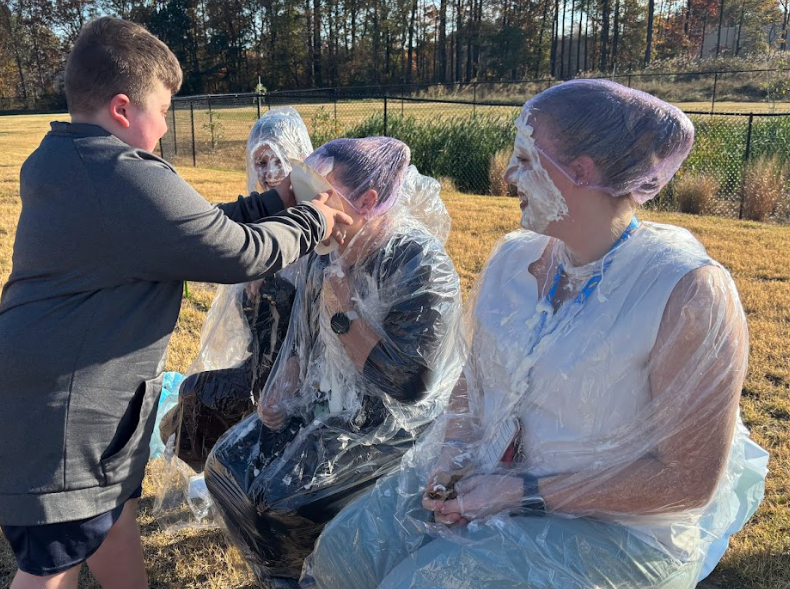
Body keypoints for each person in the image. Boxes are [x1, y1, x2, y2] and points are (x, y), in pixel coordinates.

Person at [303, 80, 767, 589]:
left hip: (620, 530)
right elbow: (473, 385)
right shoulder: (513, 259)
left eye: (525, 158)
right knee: (342, 555)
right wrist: (452, 461)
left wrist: (518, 492)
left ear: (581, 171)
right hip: (490, 480)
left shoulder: (685, 291)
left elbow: (686, 481)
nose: (508, 173)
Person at [0, 17, 351, 589]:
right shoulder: (121, 174)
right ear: (121, 109)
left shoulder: (64, 159)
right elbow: (237, 254)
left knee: (113, 521)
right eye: (161, 111)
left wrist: (270, 202)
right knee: (53, 564)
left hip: (60, 396)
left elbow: (189, 226)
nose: (163, 128)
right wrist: (313, 219)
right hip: (66, 417)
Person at [203, 137, 463, 588]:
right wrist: (284, 385)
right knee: (226, 466)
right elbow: (301, 343)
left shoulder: (418, 263)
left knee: (280, 502)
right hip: (324, 403)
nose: (312, 207)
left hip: (389, 425)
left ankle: (304, 576)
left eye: (324, 196)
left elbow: (409, 385)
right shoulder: (327, 250)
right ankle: (276, 576)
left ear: (368, 201)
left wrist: (345, 316)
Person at [158, 107, 316, 472]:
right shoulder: (256, 228)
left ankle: (235, 476)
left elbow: (312, 327)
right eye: (259, 163)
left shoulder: (313, 230)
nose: (269, 173)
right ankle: (223, 478)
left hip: (300, 374)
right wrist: (250, 287)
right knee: (193, 394)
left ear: (298, 158)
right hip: (264, 366)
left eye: (277, 160)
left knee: (198, 396)